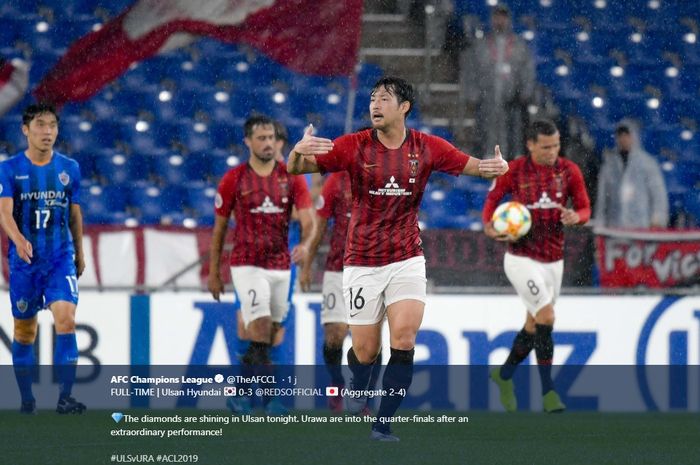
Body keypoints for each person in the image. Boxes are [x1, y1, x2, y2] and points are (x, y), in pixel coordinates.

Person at [288, 76, 508, 441]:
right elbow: (297, 169)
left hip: (407, 257)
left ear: (404, 107)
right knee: (365, 350)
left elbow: (474, 166)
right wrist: (298, 150)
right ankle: (358, 383)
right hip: (360, 261)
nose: (375, 104)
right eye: (373, 98)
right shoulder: (354, 146)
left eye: (384, 98)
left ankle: (383, 423)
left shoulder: (427, 147)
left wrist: (494, 168)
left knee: (404, 339)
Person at [208, 115, 316, 415]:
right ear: (248, 141)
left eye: (271, 138)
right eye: (261, 138)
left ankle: (239, 394)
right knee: (259, 325)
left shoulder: (291, 176)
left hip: (281, 265)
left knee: (272, 332)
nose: (268, 143)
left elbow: (309, 221)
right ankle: (270, 399)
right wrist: (215, 273)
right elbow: (218, 230)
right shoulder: (234, 179)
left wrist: (306, 245)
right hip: (247, 263)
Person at [482, 119, 590, 413]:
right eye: (546, 147)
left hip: (554, 260)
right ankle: (549, 392)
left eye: (556, 145)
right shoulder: (515, 169)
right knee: (546, 315)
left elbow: (585, 208)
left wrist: (575, 217)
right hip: (520, 258)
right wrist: (490, 227)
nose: (552, 151)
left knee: (534, 325)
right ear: (530, 144)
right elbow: (492, 200)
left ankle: (503, 376)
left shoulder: (569, 171)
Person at [0, 103, 86, 414]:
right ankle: (27, 399)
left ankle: (65, 398)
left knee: (66, 320)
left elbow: (75, 214)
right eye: (40, 125)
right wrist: (19, 240)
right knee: (25, 331)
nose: (47, 131)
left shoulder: (69, 169)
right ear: (25, 130)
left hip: (59, 257)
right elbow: (4, 212)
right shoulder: (9, 169)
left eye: (52, 125)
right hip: (25, 262)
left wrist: (80, 250)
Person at [302, 170, 382, 414]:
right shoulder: (337, 181)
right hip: (339, 269)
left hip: (373, 271)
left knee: (370, 343)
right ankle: (337, 383)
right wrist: (307, 265)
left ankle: (364, 397)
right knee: (335, 336)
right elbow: (320, 225)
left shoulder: (386, 181)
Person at [460, 4, 536, 159]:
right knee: (485, 130)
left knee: (512, 133)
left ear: (508, 20)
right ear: (491, 19)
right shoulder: (481, 45)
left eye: (503, 17)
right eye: (496, 17)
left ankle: (510, 162)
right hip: (486, 98)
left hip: (512, 101)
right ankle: (486, 160)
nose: (500, 21)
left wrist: (525, 92)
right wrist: (472, 93)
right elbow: (470, 71)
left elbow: (527, 71)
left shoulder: (519, 45)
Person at [594, 119, 669, 229]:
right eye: (620, 136)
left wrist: (657, 218)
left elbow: (658, 194)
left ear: (634, 136)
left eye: (626, 135)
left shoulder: (647, 163)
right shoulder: (609, 164)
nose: (623, 139)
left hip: (641, 225)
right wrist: (599, 223)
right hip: (614, 227)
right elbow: (602, 198)